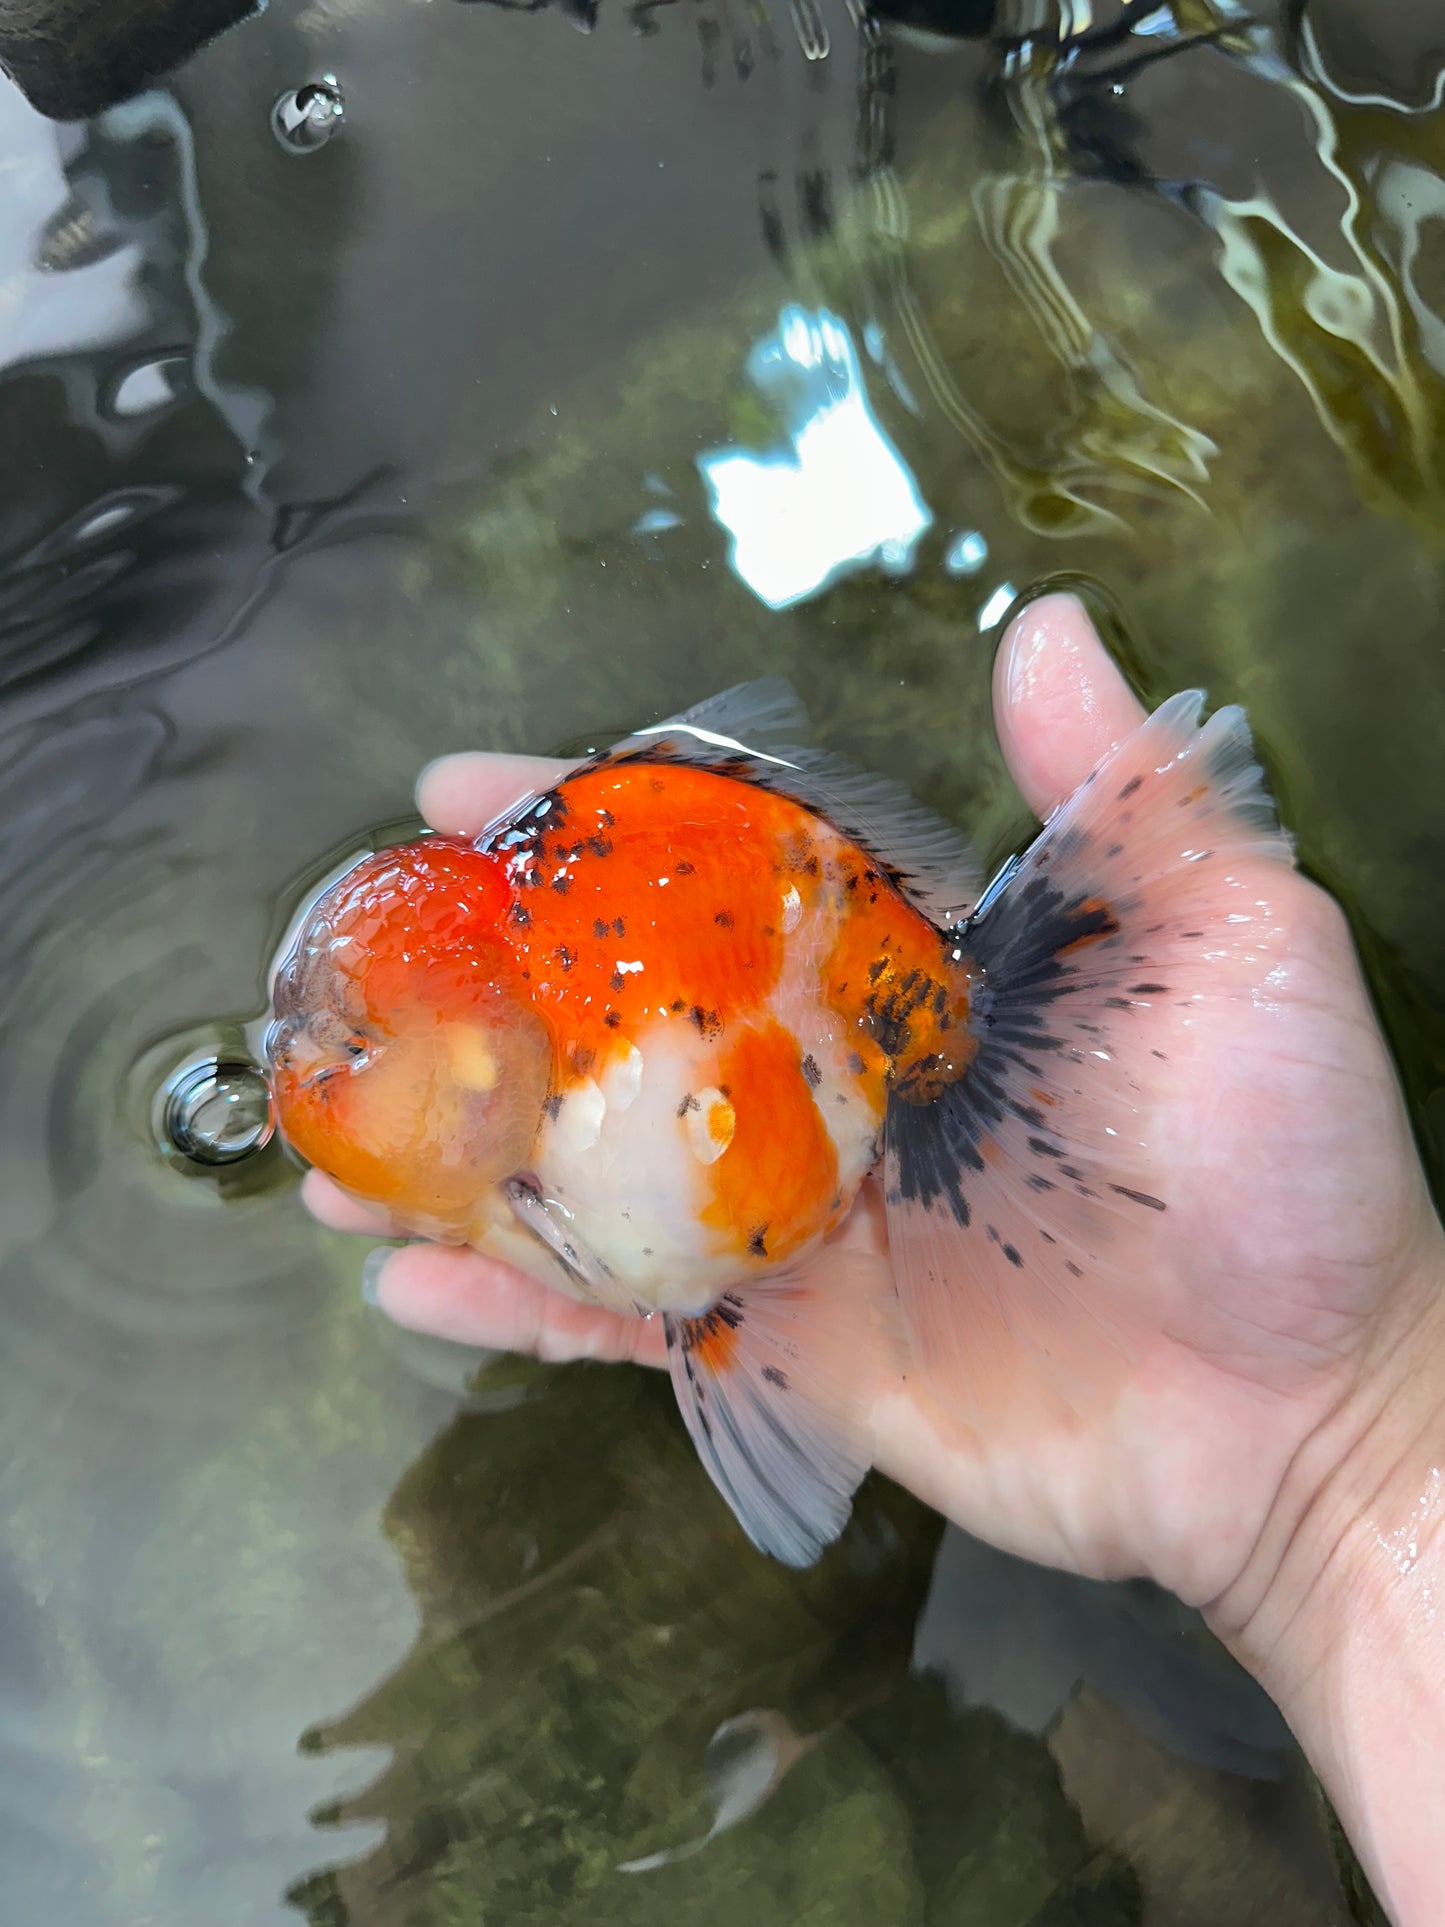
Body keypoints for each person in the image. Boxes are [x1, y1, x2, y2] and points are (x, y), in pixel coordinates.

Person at [303, 592, 1445, 1924]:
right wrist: (1358, 1461)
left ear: (483, 1045)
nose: (313, 1072)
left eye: (354, 1045)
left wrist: (1360, 1450)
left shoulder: (557, 1115)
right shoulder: (506, 1144)